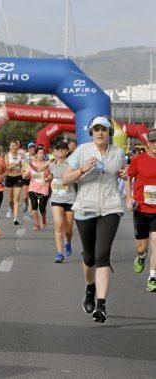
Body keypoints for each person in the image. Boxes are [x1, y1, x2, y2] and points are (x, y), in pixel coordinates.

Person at [62, 115, 127, 323]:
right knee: (89, 257)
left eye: (104, 129)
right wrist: (82, 169)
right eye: (97, 129)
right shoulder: (82, 151)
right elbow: (65, 179)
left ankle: (101, 305)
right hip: (85, 208)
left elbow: (121, 173)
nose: (100, 133)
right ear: (91, 132)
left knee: (102, 255)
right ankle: (90, 289)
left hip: (110, 208)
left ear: (110, 132)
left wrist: (124, 174)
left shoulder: (119, 153)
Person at [126, 129, 156, 291]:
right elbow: (128, 177)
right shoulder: (138, 160)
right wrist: (129, 198)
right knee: (142, 247)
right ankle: (141, 256)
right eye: (153, 141)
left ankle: (153, 277)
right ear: (148, 144)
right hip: (142, 209)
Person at [49, 141, 76, 263]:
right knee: (58, 224)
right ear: (54, 151)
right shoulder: (51, 165)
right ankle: (59, 253)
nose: (60, 151)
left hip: (70, 198)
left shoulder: (71, 165)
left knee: (68, 229)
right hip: (56, 199)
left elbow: (78, 177)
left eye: (62, 149)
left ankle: (68, 242)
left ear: (66, 151)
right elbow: (41, 171)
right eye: (57, 149)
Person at [25, 146, 51, 231]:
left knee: (42, 208)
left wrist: (48, 178)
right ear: (36, 154)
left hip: (44, 188)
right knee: (34, 206)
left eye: (43, 153)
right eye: (40, 153)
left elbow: (50, 176)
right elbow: (26, 174)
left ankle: (43, 218)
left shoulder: (47, 164)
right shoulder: (32, 164)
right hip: (33, 188)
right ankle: (36, 224)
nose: (42, 155)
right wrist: (26, 175)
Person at [4, 140, 24, 225]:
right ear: (9, 147)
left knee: (16, 199)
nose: (13, 147)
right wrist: (13, 165)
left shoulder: (21, 156)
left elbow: (24, 167)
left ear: (17, 146)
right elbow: (6, 168)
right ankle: (11, 208)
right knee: (10, 200)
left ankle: (15, 218)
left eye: (15, 145)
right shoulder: (7, 156)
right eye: (12, 146)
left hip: (18, 178)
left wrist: (25, 172)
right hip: (9, 178)